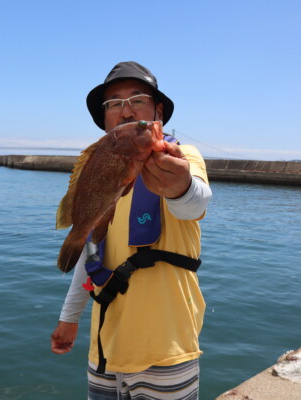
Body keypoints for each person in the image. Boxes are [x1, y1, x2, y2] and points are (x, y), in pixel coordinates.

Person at [51, 61, 212, 400]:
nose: (125, 112)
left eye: (137, 99)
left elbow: (195, 202)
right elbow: (91, 251)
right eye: (113, 103)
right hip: (104, 352)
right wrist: (69, 317)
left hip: (167, 351)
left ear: (159, 112)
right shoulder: (101, 167)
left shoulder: (183, 157)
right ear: (104, 118)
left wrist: (179, 185)